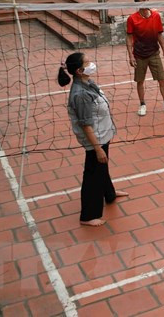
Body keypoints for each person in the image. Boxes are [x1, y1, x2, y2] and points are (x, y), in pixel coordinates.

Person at [57, 52, 128, 227]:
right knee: (93, 173)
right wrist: (97, 148)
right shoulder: (80, 94)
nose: (92, 64)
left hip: (103, 133)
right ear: (79, 70)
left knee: (101, 166)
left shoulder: (87, 83)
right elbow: (86, 125)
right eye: (88, 63)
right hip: (95, 138)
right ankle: (88, 215)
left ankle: (109, 194)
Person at [126, 0, 164, 116]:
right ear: (138, 3)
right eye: (143, 0)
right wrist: (130, 55)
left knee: (162, 79)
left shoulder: (156, 16)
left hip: (154, 53)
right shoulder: (132, 19)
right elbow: (129, 38)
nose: (147, 2)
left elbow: (159, 34)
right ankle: (142, 105)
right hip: (139, 54)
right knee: (140, 81)